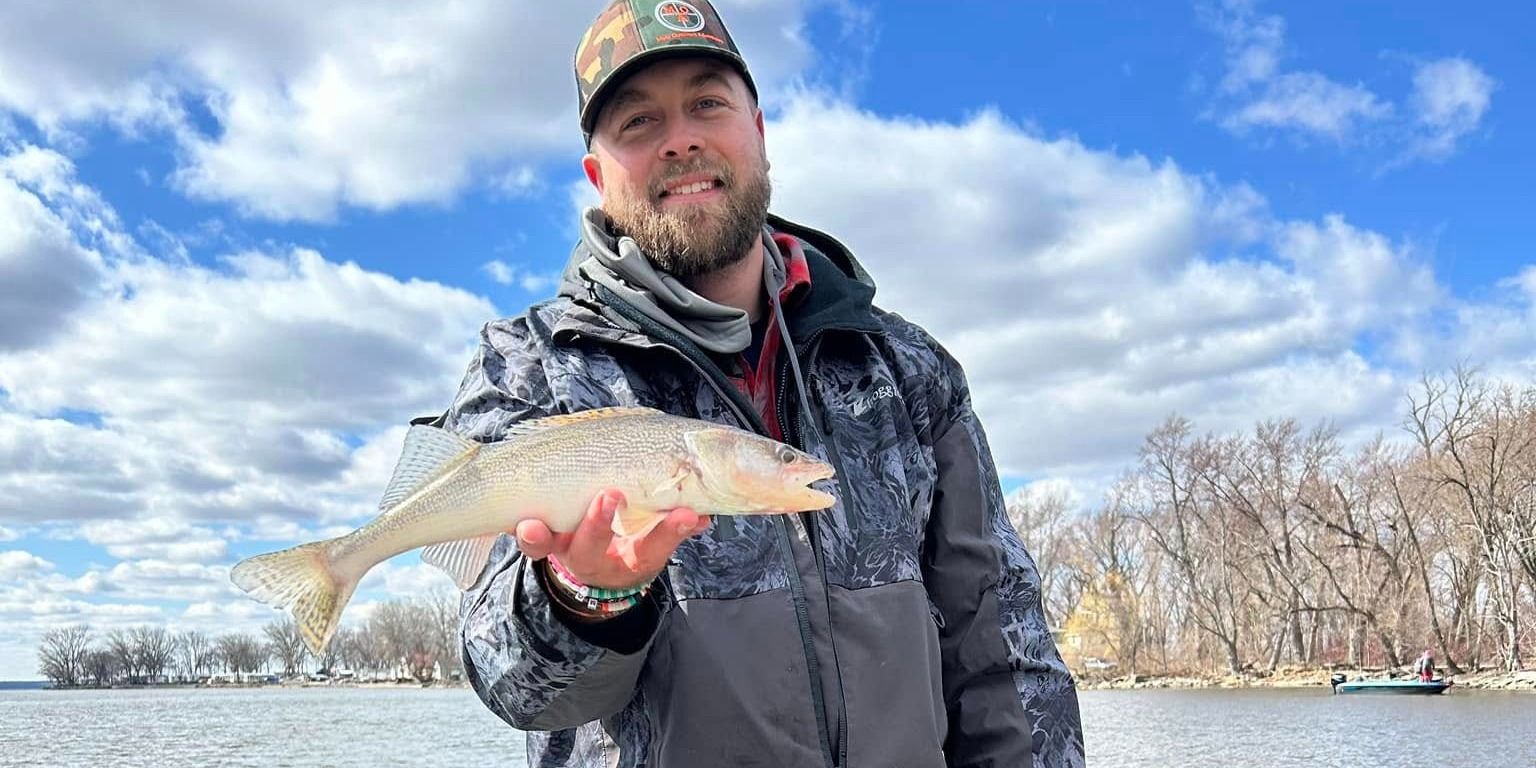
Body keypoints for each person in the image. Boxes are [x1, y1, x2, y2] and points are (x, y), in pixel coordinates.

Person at [437, 1, 1083, 764]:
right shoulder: (524, 369)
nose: (680, 138)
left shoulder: (908, 370)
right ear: (596, 176)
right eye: (638, 122)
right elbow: (514, 688)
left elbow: (1001, 648)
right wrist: (584, 599)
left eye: (707, 102)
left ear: (759, 129)